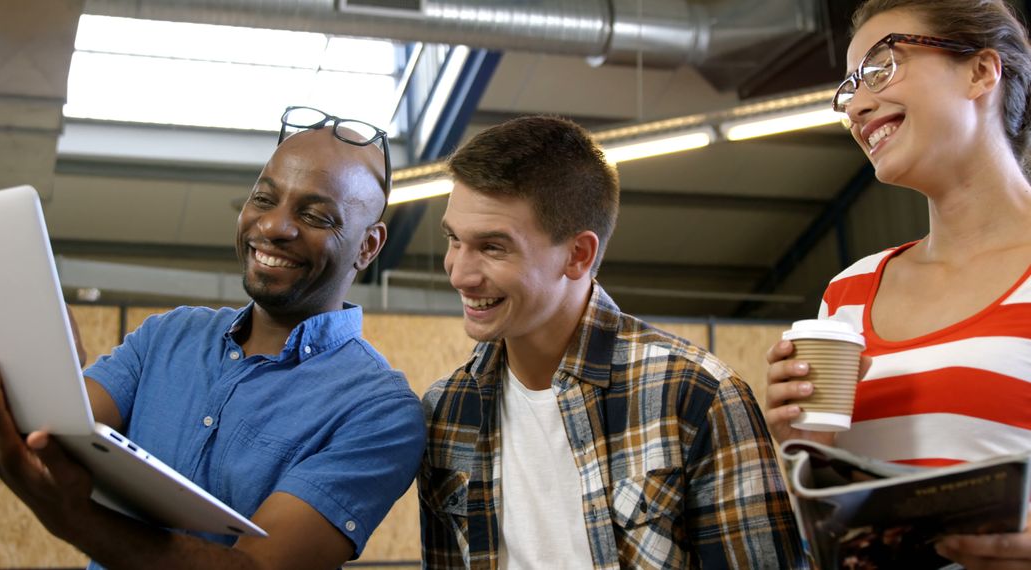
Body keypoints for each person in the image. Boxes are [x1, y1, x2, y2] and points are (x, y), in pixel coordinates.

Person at [0, 107, 426, 569]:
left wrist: (72, 515)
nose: (273, 227)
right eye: (263, 199)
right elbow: (31, 434)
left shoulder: (379, 411)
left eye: (316, 215)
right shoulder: (168, 335)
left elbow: (260, 567)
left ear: (368, 246)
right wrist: (23, 388)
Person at [419, 115, 808, 568]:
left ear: (577, 255)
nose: (459, 273)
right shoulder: (445, 412)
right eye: (453, 240)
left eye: (492, 247)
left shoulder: (695, 395)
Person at [764, 0, 1031, 567]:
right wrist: (800, 449)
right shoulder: (849, 291)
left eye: (883, 66)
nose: (858, 106)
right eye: (849, 89)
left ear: (981, 71)